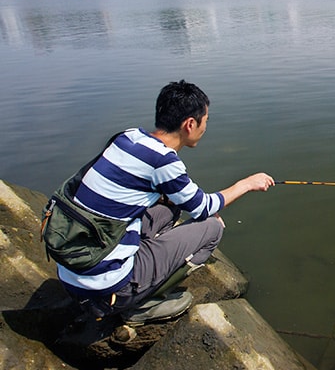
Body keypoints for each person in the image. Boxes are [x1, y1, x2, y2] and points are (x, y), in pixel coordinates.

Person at [57, 80, 274, 324]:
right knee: (212, 227)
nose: (205, 127)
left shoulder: (127, 138)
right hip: (107, 287)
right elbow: (203, 207)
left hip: (72, 269)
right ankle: (140, 303)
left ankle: (138, 268)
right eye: (206, 121)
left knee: (171, 207)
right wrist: (246, 184)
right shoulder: (163, 161)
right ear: (190, 124)